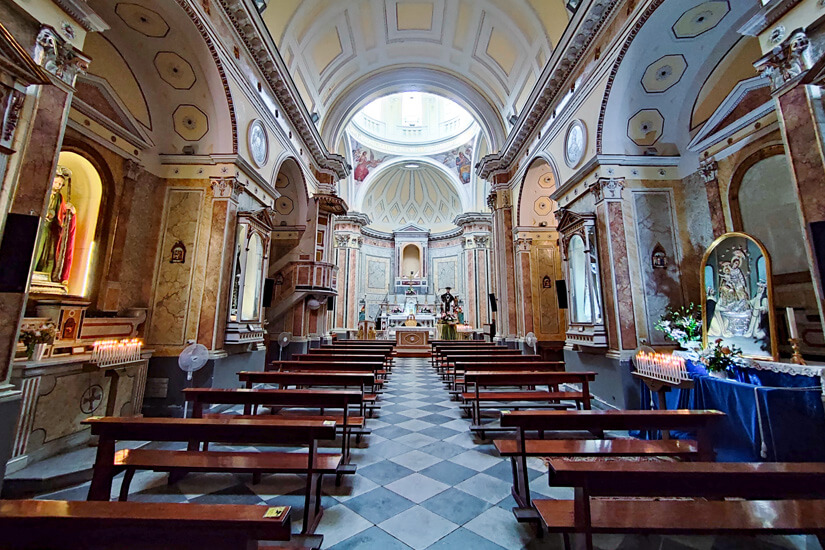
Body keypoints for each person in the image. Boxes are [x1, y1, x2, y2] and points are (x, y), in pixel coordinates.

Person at [34, 166, 76, 285]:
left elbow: (61, 213)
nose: (57, 186)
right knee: (37, 250)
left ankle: (45, 274)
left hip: (51, 230)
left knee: (50, 253)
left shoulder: (59, 197)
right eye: (56, 182)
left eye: (60, 184)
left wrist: (70, 211)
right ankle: (31, 272)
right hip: (40, 228)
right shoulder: (43, 193)